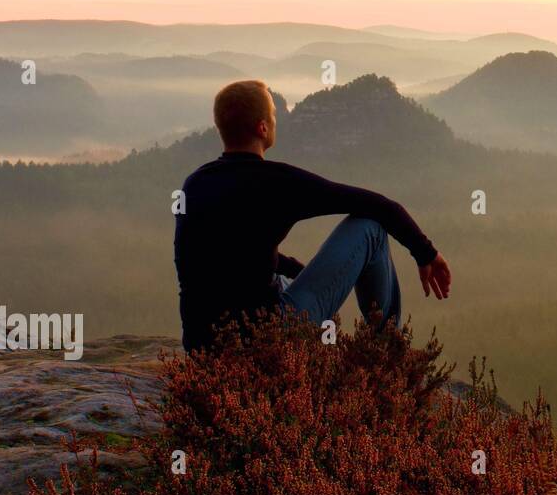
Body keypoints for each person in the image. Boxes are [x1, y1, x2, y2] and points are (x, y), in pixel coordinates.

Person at [174, 79, 450, 352]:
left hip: (202, 348)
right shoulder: (278, 182)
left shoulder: (194, 184)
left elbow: (232, 253)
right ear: (262, 128)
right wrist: (426, 254)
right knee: (371, 228)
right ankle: (388, 352)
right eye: (273, 115)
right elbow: (379, 206)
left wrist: (302, 272)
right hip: (267, 342)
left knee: (282, 281)